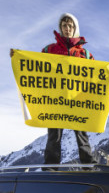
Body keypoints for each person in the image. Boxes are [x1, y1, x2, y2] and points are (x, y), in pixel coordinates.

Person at [41, 13, 105, 165]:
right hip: (56, 99)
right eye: (64, 26)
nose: (67, 29)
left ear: (75, 28)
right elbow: (35, 67)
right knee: (54, 134)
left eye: (70, 26)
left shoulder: (85, 54)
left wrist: (108, 70)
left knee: (82, 133)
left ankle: (88, 164)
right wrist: (17, 57)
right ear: (60, 28)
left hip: (78, 99)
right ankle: (51, 166)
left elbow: (95, 74)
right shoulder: (49, 49)